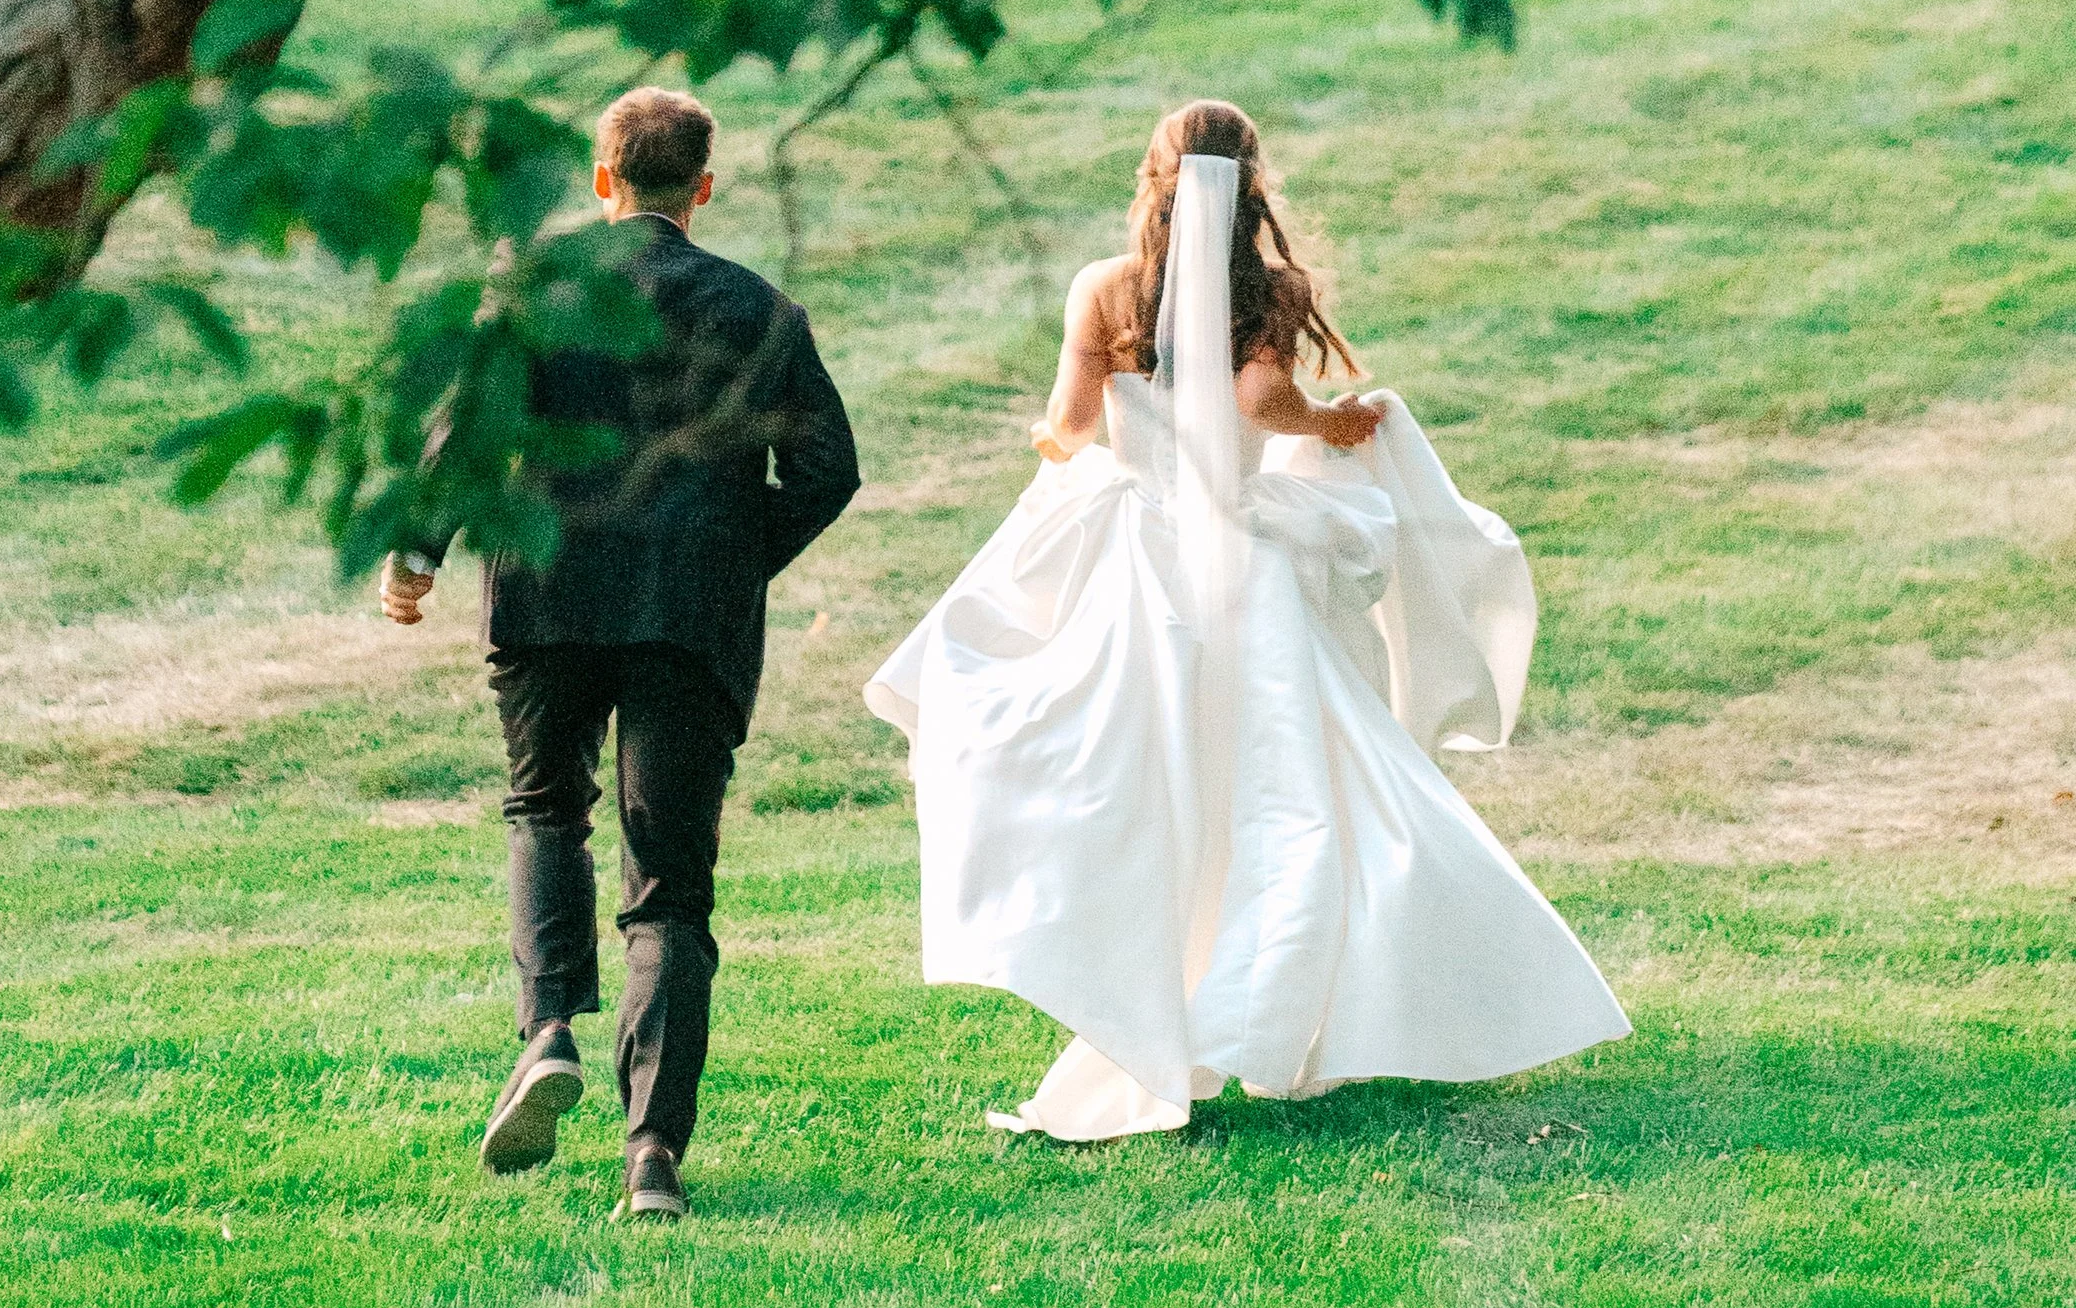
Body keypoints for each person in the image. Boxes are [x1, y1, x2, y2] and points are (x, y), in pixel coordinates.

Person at [866, 100, 1626, 1139]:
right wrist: (1331, 423)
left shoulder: (1105, 289)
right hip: (1245, 569)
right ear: (1252, 178)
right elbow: (1263, 402)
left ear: (1151, 177)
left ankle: (1164, 987)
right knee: (1302, 778)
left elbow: (1077, 425)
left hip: (1143, 561)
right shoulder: (1268, 291)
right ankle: (1289, 997)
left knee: (1147, 772)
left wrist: (1051, 435)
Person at [384, 88, 860, 1218]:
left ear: (604, 180)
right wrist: (734, 561)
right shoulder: (760, 310)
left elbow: (466, 434)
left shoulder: (536, 294)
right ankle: (652, 1156)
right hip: (689, 620)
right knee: (670, 887)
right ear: (703, 186)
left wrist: (418, 548)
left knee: (546, 807)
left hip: (546, 594)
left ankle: (547, 1026)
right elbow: (830, 473)